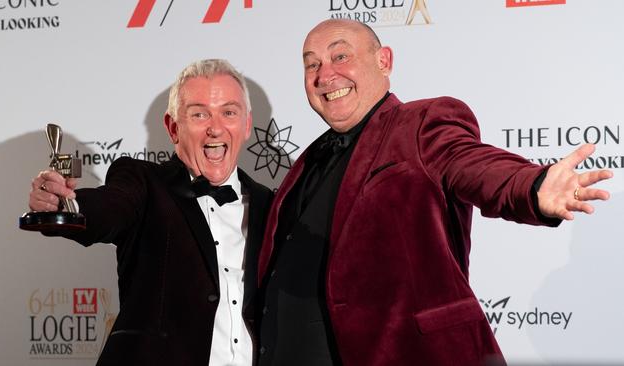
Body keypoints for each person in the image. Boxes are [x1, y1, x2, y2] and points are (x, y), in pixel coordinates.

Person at [255, 19, 613, 366]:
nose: (324, 74)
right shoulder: (306, 163)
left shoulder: (421, 123)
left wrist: (532, 185)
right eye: (311, 64)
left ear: (384, 61)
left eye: (340, 56)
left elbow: (473, 164)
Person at [27, 59, 273, 366]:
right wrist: (66, 205)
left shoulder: (272, 205)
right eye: (199, 113)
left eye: (229, 112)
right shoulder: (143, 183)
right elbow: (109, 208)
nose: (215, 127)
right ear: (173, 127)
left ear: (247, 124)